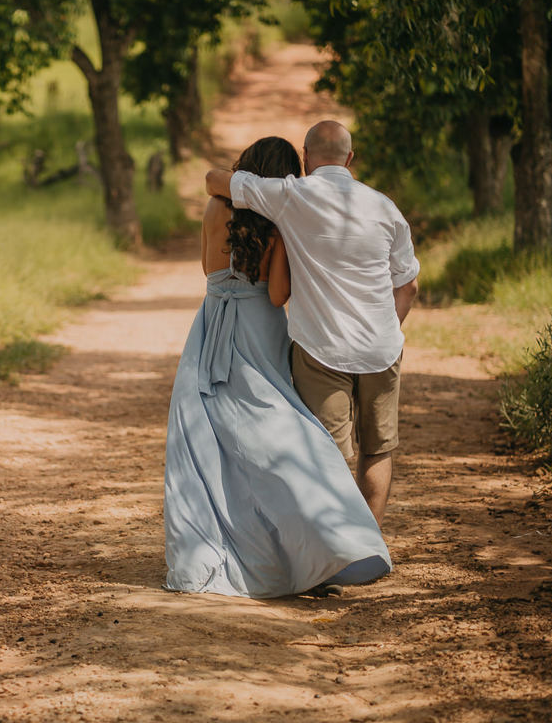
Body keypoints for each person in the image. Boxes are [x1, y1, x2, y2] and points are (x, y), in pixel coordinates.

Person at [164, 136, 391, 599]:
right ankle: (318, 544)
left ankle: (214, 545)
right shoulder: (278, 223)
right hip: (260, 329)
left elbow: (207, 272)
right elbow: (276, 295)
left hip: (210, 325)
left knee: (209, 439)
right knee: (280, 432)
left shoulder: (212, 211)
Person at [204, 120, 420, 525]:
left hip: (323, 349)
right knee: (377, 449)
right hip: (381, 347)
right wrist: (386, 329)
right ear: (350, 158)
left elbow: (216, 180)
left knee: (329, 451)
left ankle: (340, 551)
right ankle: (369, 540)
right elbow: (408, 285)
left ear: (305, 159)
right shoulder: (385, 206)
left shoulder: (292, 195)